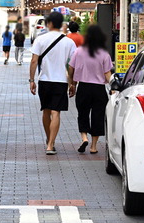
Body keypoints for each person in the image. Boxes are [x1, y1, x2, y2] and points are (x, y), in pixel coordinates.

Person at [29, 12, 76, 155]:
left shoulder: (40, 40)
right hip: (61, 81)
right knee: (56, 112)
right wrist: (72, 83)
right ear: (61, 24)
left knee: (46, 111)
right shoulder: (69, 42)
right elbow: (73, 65)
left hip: (44, 81)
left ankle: (49, 139)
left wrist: (32, 80)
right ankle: (51, 144)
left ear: (49, 23)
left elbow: (33, 61)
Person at [68, 25, 113, 154]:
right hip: (99, 89)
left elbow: (71, 68)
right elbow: (107, 74)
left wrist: (72, 83)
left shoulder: (79, 51)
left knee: (83, 113)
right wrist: (114, 87)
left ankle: (84, 138)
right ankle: (93, 146)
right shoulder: (104, 53)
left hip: (83, 87)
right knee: (97, 116)